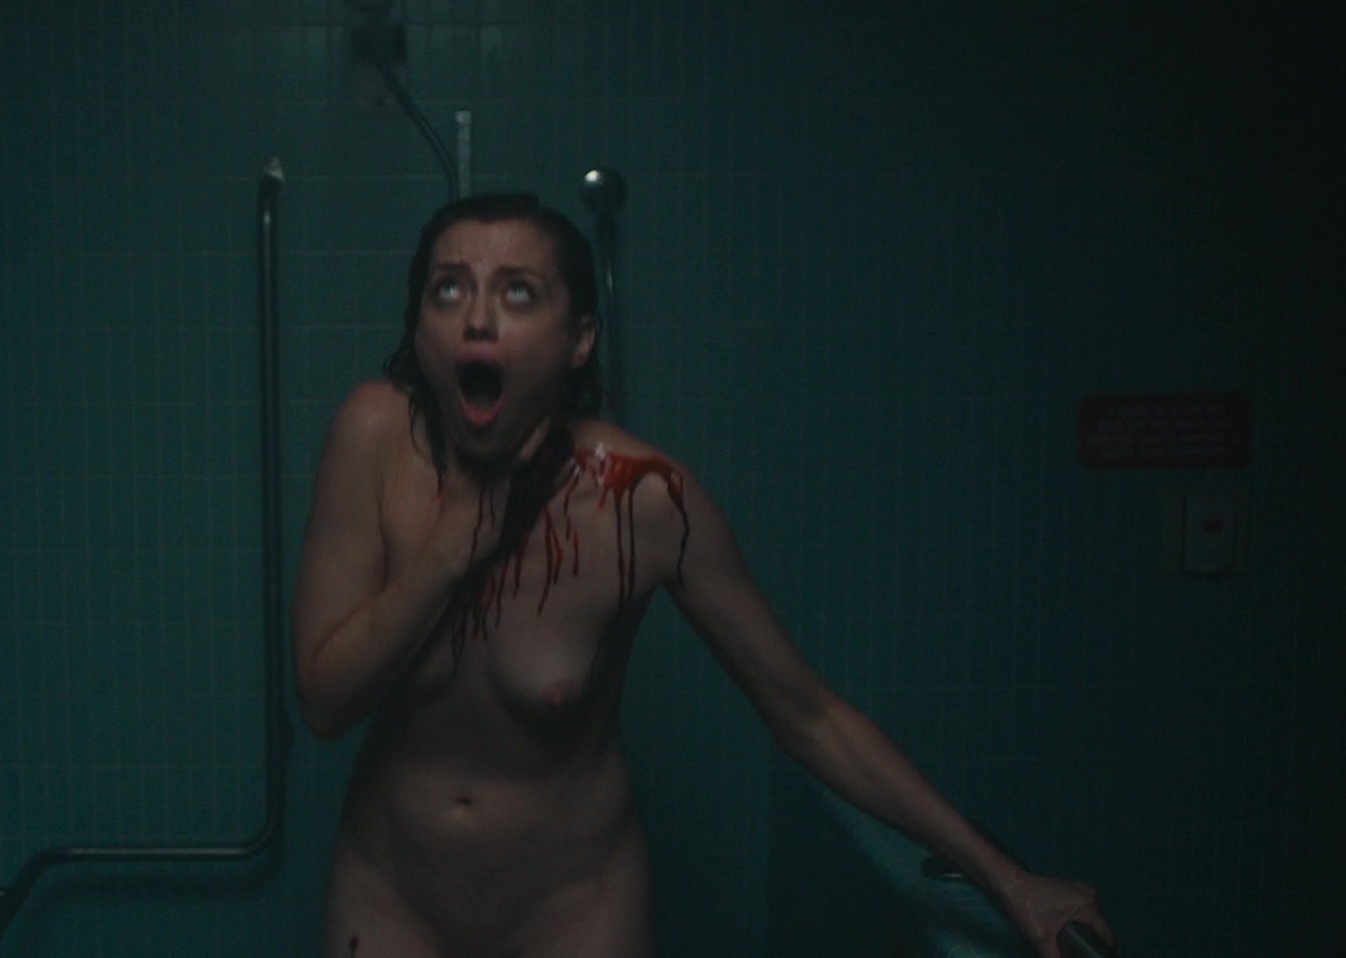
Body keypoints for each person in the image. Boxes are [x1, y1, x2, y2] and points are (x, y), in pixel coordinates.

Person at [291, 192, 1113, 958]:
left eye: (517, 293)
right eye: (447, 290)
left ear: (578, 339)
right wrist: (445, 556)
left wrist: (1008, 881)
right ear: (418, 326)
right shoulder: (372, 439)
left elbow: (808, 714)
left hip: (571, 911)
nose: (476, 318)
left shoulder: (645, 502)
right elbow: (326, 703)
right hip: (391, 898)